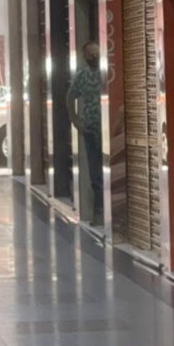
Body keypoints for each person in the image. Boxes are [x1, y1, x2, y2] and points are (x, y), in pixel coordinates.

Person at [66, 41, 104, 225]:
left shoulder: (106, 75)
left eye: (95, 53)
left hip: (107, 129)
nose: (93, 57)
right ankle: (99, 212)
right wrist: (76, 122)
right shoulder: (83, 76)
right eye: (89, 54)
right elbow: (70, 97)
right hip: (90, 129)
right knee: (95, 173)